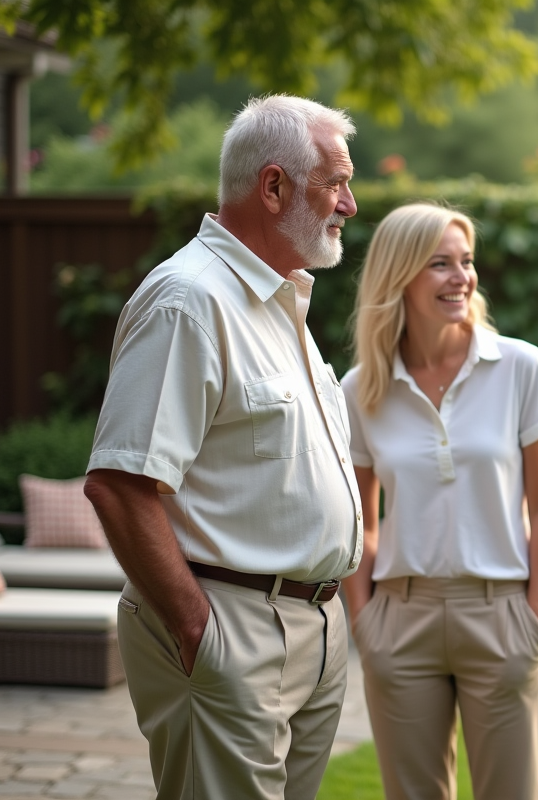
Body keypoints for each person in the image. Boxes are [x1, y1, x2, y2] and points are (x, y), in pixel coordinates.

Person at [84, 95, 364, 800]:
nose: (349, 204)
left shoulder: (280, 302)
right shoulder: (189, 300)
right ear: (273, 187)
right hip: (233, 626)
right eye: (335, 183)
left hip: (312, 628)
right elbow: (119, 484)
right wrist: (198, 629)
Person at [339, 203, 538, 800]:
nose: (461, 277)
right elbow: (358, 520)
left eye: (466, 262)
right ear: (399, 276)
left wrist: (537, 616)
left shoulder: (520, 366)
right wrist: (365, 622)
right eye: (440, 264)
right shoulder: (360, 388)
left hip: (502, 614)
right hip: (399, 620)